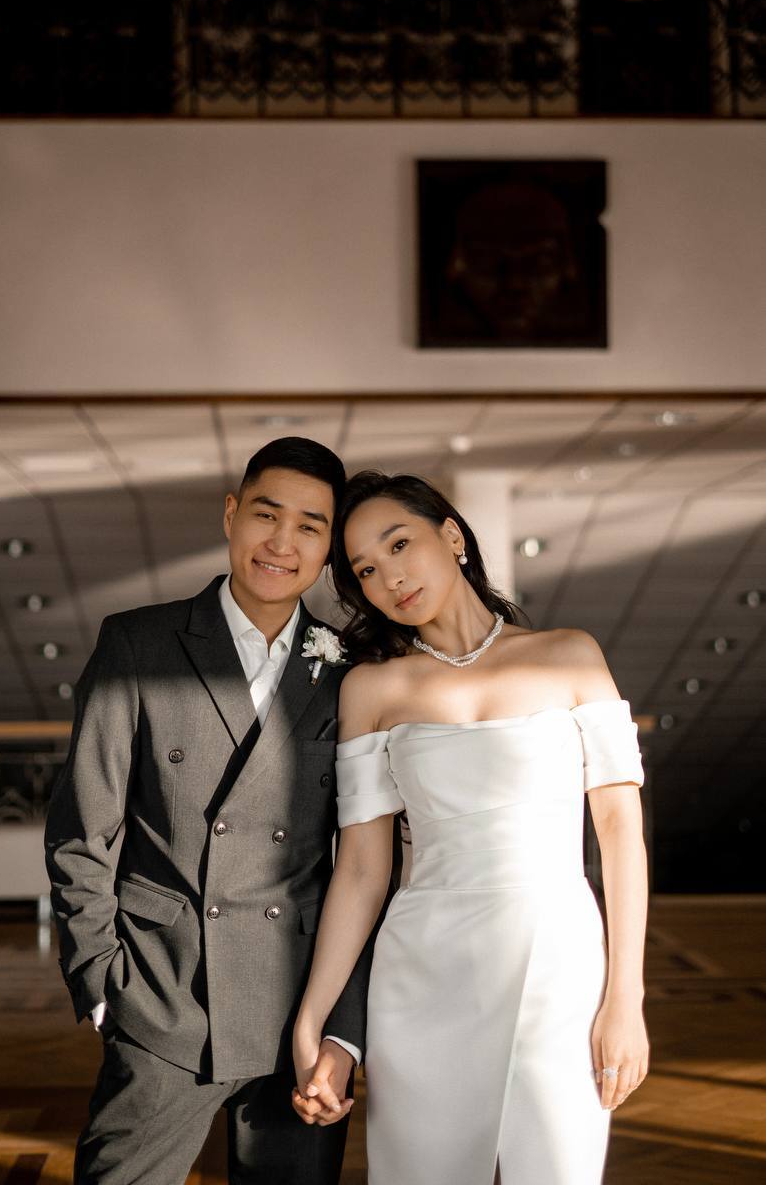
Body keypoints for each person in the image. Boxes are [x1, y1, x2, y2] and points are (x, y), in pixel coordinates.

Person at [291, 470, 649, 1184]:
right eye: (366, 570)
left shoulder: (571, 655)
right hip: (423, 972)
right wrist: (313, 1021)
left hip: (560, 964)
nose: (390, 577)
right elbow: (361, 870)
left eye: (399, 545)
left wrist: (625, 999)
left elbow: (618, 834)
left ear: (451, 536)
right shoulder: (372, 689)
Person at [45, 437, 385, 1185]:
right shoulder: (138, 644)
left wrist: (343, 1030)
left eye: (309, 527)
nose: (282, 543)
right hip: (162, 994)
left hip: (300, 1007)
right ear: (231, 515)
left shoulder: (352, 670)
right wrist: (102, 982)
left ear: (329, 547)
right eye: (266, 515)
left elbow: (368, 871)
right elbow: (82, 829)